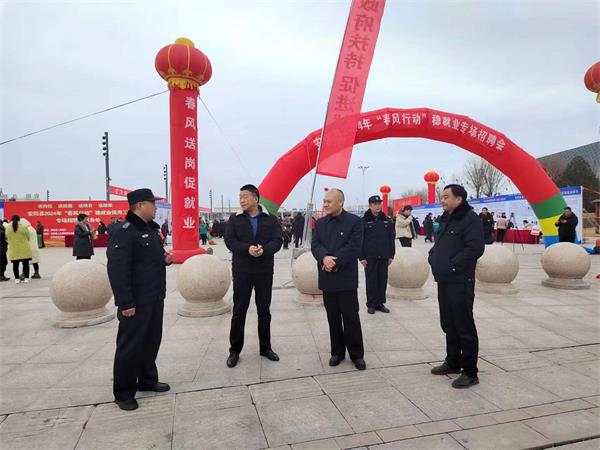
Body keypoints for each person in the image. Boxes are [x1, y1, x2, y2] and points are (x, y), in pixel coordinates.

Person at [107, 188, 173, 411]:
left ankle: (147, 380)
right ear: (139, 206)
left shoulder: (151, 229)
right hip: (136, 301)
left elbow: (148, 260)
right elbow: (117, 270)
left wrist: (165, 259)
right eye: (152, 203)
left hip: (154, 296)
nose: (156, 207)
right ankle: (124, 392)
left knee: (151, 341)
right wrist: (125, 302)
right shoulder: (124, 231)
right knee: (130, 346)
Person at [428, 184, 484, 389]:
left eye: (446, 197)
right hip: (444, 280)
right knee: (448, 323)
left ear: (459, 199)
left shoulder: (470, 219)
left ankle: (470, 371)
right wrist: (433, 255)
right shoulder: (447, 218)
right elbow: (442, 244)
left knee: (464, 325)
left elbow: (475, 248)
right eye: (441, 197)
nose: (442, 200)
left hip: (460, 281)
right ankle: (452, 361)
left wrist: (452, 265)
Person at [224, 184, 283, 368]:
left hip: (264, 271)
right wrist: (246, 249)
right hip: (242, 271)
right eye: (240, 197)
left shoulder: (270, 218)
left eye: (245, 197)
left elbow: (278, 240)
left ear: (255, 199)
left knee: (264, 311)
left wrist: (264, 250)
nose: (242, 200)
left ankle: (265, 347)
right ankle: (234, 350)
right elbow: (229, 241)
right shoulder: (235, 219)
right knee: (239, 311)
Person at [312, 189, 366, 371]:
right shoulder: (320, 223)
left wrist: (334, 261)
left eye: (329, 201)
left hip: (345, 278)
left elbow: (354, 247)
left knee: (351, 317)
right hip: (327, 278)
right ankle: (337, 352)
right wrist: (324, 258)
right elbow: (315, 245)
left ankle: (357, 354)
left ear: (340, 202)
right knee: (332, 317)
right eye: (324, 201)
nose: (325, 204)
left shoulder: (354, 222)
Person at [359, 195, 395, 315]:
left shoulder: (386, 220)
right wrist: (361, 257)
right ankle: (371, 304)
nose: (378, 205)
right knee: (371, 281)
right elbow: (360, 240)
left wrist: (391, 255)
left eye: (379, 203)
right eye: (375, 204)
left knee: (382, 280)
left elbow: (391, 239)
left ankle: (380, 303)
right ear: (370, 206)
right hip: (370, 257)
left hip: (384, 255)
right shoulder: (364, 221)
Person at [5, 215, 32, 283]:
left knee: (15, 265)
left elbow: (7, 237)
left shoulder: (8, 227)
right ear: (19, 219)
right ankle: (26, 278)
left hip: (13, 249)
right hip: (24, 248)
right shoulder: (23, 226)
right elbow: (28, 237)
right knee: (25, 264)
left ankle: (17, 279)